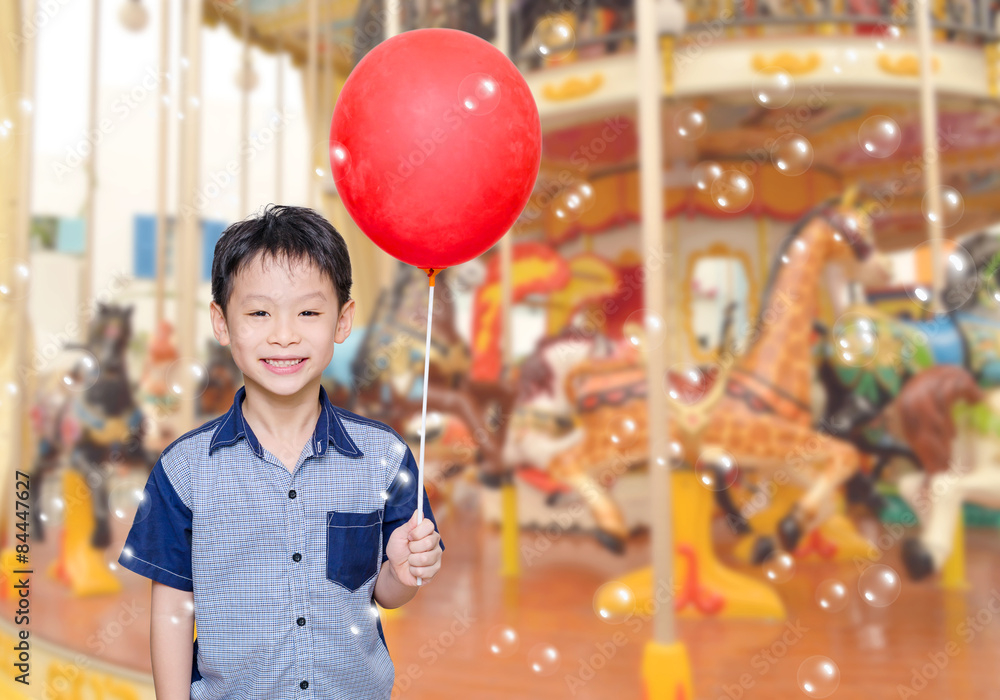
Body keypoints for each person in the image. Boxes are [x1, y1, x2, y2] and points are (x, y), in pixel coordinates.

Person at [117, 205, 444, 700]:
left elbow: (388, 595)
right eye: (259, 312)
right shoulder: (182, 469)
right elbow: (173, 606)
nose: (284, 335)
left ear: (343, 319)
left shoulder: (385, 457)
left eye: (309, 311)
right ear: (222, 322)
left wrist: (402, 572)